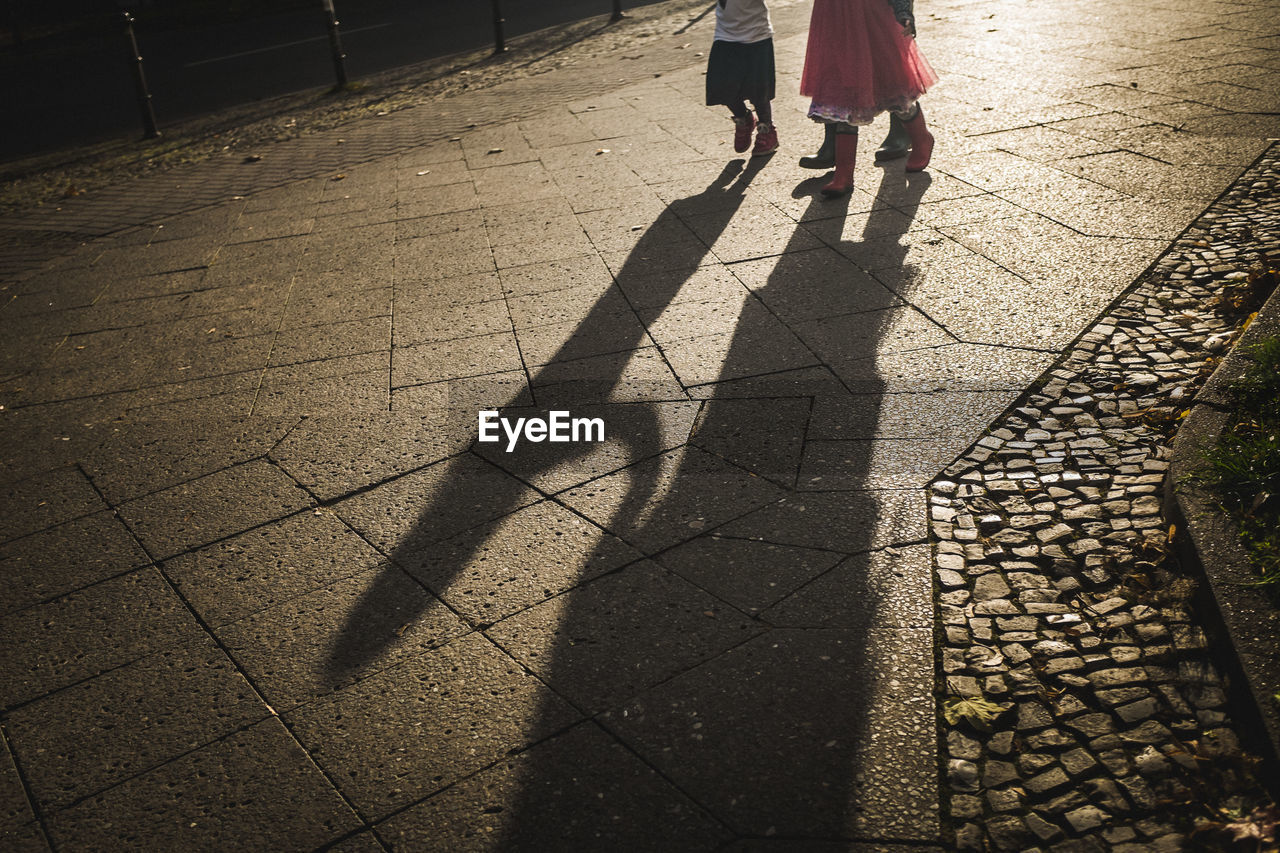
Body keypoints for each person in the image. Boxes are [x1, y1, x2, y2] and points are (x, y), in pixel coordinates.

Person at [799, 0, 937, 196]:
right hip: (834, 16)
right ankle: (843, 174)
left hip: (872, 15)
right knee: (843, 93)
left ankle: (921, 137)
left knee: (893, 88)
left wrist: (903, 10)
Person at [705, 0, 779, 157]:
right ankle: (743, 118)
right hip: (725, 34)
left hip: (756, 34)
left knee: (758, 90)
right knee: (721, 86)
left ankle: (767, 129)